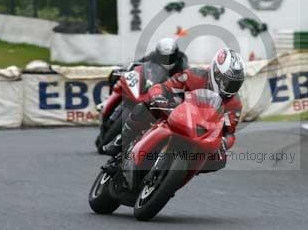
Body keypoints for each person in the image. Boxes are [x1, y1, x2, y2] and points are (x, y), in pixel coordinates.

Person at [103, 48, 246, 173]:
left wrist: (224, 143)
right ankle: (121, 141)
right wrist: (159, 97)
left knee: (219, 160)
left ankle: (181, 174)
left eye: (234, 84)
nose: (229, 87)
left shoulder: (235, 103)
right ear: (215, 72)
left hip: (200, 131)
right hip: (174, 112)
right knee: (145, 106)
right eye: (226, 81)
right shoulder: (194, 75)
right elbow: (165, 86)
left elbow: (229, 132)